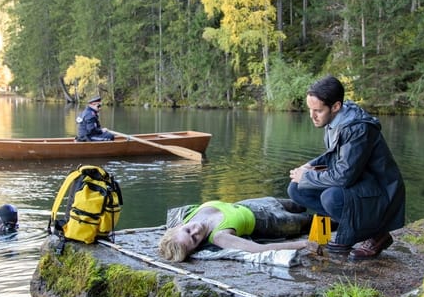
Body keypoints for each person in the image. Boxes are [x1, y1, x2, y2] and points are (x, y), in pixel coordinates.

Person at [288, 75, 405, 260]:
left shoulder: (358, 129)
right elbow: (335, 155)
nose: (312, 116)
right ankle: (322, 236)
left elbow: (344, 177)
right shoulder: (335, 119)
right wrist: (309, 166)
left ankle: (376, 234)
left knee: (330, 196)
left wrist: (307, 177)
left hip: (380, 194)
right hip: (360, 184)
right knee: (296, 188)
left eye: (317, 110)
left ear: (335, 107)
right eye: (310, 109)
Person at [158, 197, 313, 262]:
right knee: (312, 220)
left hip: (252, 203)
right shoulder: (220, 237)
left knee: (300, 201)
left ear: (179, 226)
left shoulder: (185, 216)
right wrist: (303, 244)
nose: (195, 231)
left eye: (187, 231)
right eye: (194, 239)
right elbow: (259, 249)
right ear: (197, 246)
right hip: (271, 221)